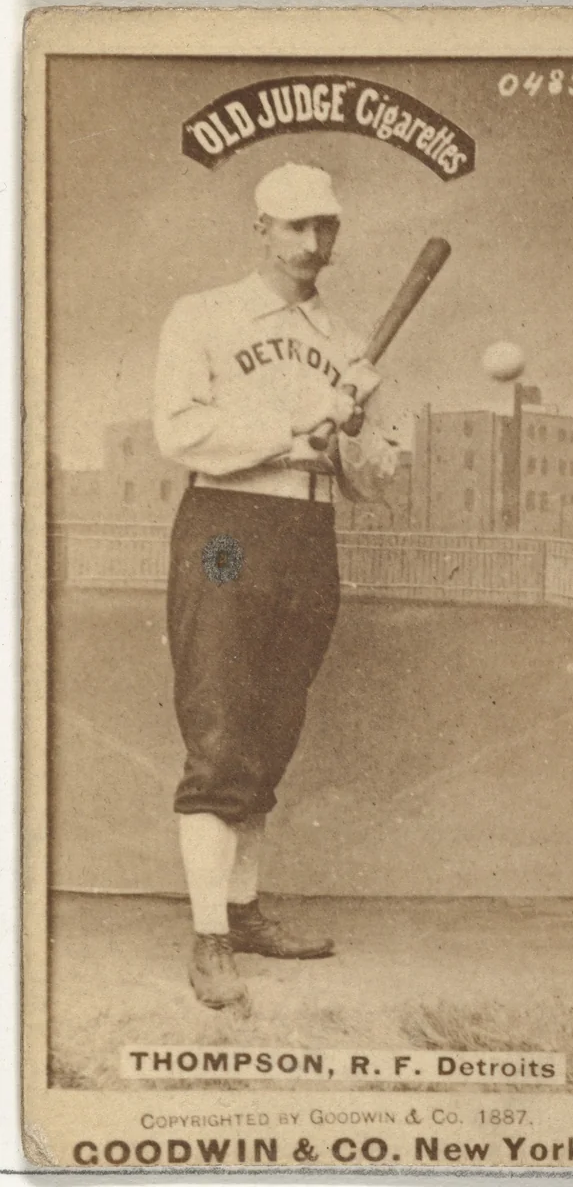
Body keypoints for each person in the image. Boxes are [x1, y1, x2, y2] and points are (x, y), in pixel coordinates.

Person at [154, 162, 397, 1011]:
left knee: (269, 724)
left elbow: (376, 478)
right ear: (260, 228)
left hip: (307, 535)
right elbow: (179, 429)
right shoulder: (205, 315)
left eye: (325, 227)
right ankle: (209, 935)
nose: (313, 244)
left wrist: (355, 429)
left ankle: (245, 909)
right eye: (295, 227)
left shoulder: (342, 339)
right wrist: (296, 424)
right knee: (221, 719)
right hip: (224, 530)